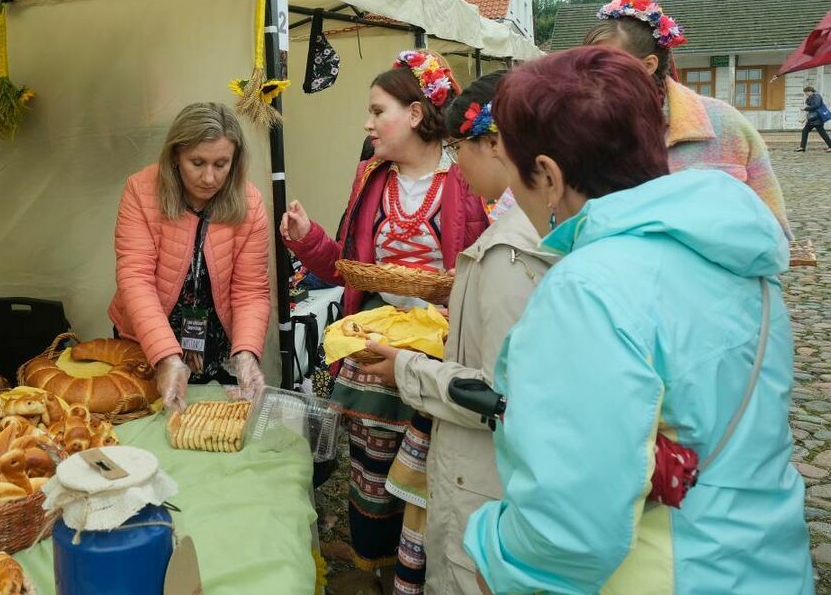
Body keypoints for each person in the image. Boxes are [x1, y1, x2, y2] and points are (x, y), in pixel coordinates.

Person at [461, 46, 813, 594]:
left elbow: (572, 524)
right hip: (767, 558)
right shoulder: (734, 251)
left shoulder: (588, 289)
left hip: (665, 572)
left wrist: (496, 557)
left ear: (549, 176)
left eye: (508, 165)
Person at [281, 50, 488, 593]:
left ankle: (419, 575)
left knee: (426, 470)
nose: (367, 124)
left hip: (437, 351)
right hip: (372, 344)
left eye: (378, 110)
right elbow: (348, 269)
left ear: (416, 114)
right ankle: (372, 569)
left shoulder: (466, 180)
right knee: (370, 466)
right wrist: (307, 237)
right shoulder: (370, 179)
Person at [360, 70, 553, 595]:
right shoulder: (519, 234)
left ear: (494, 144)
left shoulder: (510, 254)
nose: (455, 162)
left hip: (484, 476)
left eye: (459, 147)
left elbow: (498, 395)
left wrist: (407, 366)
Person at [584, 0, 792, 239]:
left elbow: (774, 227)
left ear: (648, 65)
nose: (591, 73)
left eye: (605, 62)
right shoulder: (581, 128)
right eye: (587, 62)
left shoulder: (725, 125)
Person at [107, 102, 270, 414]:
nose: (209, 177)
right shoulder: (141, 191)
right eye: (197, 162)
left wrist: (247, 353)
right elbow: (135, 279)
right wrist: (166, 357)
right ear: (175, 157)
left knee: (211, 425)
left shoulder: (250, 202)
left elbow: (251, 291)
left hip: (216, 344)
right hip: (147, 337)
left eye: (221, 164)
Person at [798, 84, 831, 152]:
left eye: (806, 92)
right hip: (812, 119)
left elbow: (816, 105)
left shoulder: (816, 96)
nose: (806, 94)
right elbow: (808, 103)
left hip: (817, 118)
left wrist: (805, 108)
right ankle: (802, 147)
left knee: (822, 133)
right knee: (805, 131)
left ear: (810, 91)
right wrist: (807, 102)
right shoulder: (811, 97)